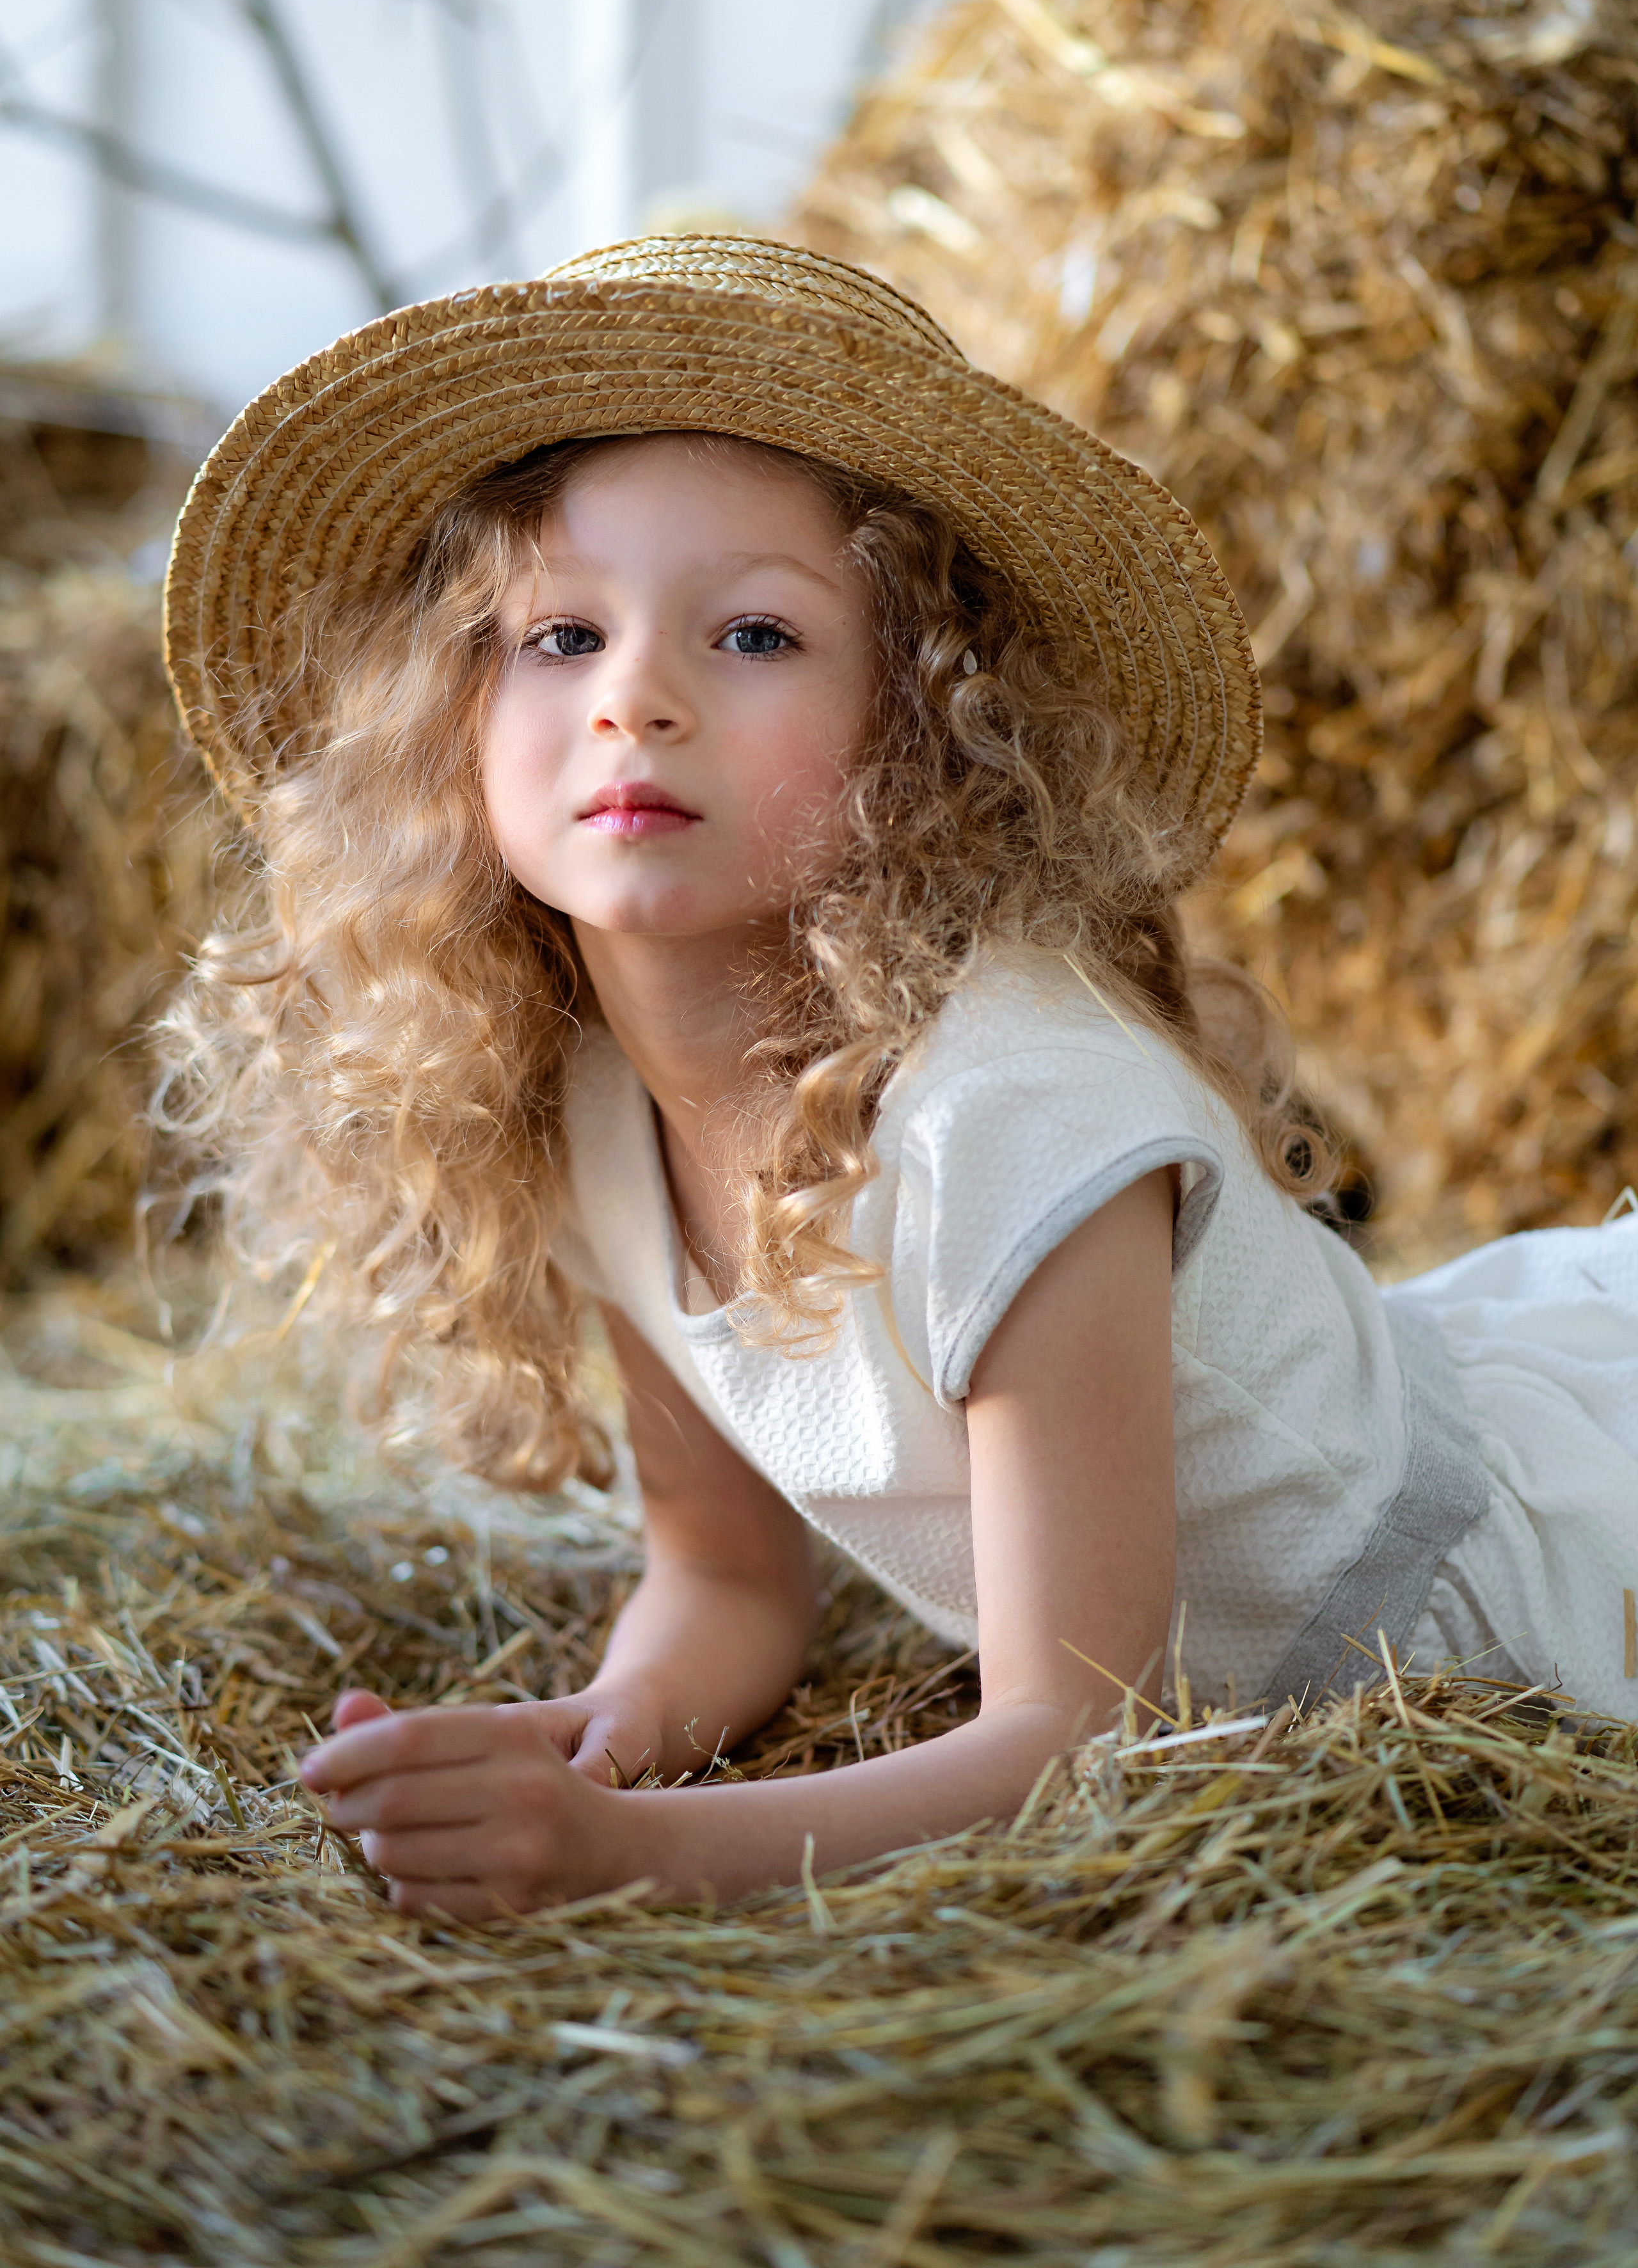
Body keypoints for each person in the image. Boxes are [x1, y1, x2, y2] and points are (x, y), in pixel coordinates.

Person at [157, 237, 1638, 1921]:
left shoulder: (1016, 1113)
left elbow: (1086, 1739)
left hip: (1507, 1603)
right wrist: (589, 1744)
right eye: (561, 634)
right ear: (448, 713)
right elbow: (725, 1579)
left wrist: (631, 1863)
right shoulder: (581, 1103)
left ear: (910, 732)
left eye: (757, 636)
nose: (636, 698)